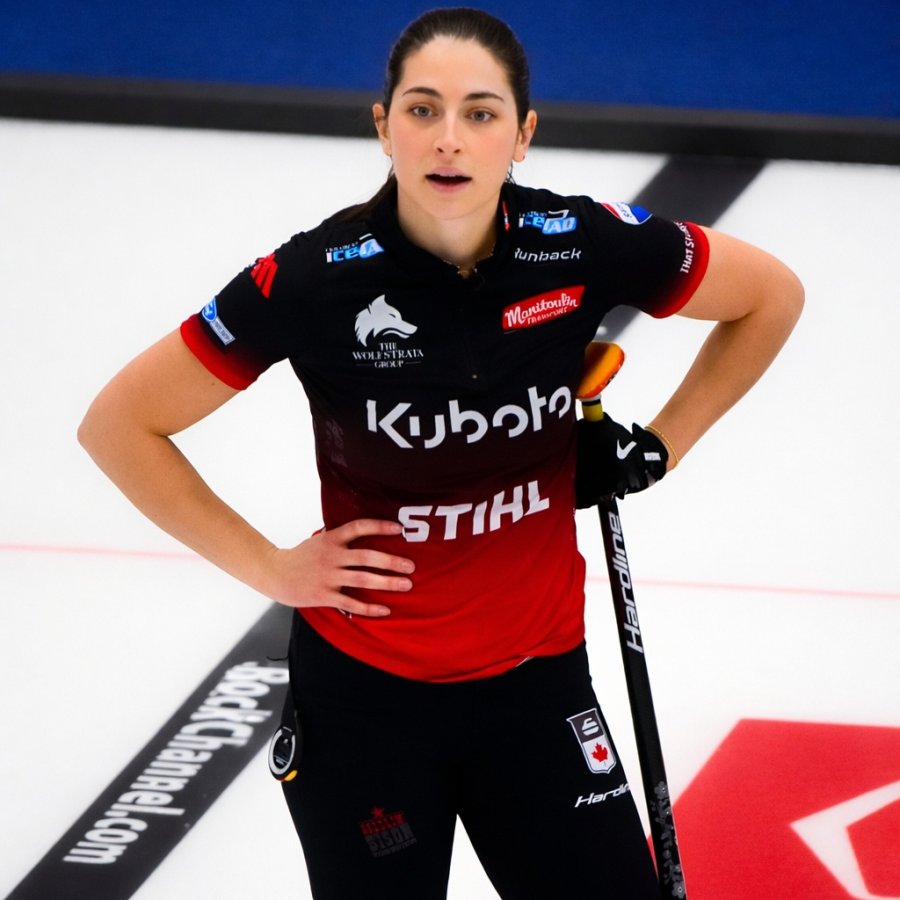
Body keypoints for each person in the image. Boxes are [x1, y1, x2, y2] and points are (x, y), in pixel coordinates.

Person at [78, 7, 803, 898]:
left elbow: (770, 296)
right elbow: (119, 425)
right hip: (366, 704)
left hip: (539, 689)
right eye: (422, 110)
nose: (449, 139)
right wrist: (268, 567)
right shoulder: (312, 280)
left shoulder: (579, 244)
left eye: (480, 113)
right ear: (383, 127)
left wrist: (659, 448)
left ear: (522, 135)